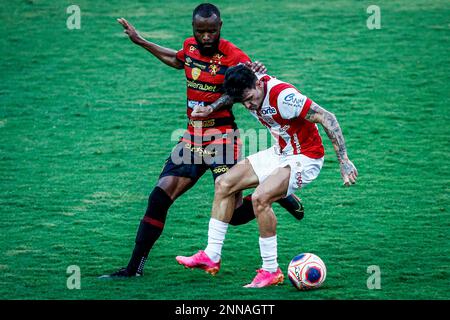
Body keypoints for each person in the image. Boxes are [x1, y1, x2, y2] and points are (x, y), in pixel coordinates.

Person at [100, 3, 304, 279]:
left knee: (231, 215)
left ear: (220, 27)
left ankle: (276, 194)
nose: (206, 36)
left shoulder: (233, 55)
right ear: (193, 29)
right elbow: (177, 60)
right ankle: (133, 269)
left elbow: (250, 81)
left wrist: (254, 70)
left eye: (211, 31)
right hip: (192, 139)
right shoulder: (190, 48)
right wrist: (140, 41)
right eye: (200, 31)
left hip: (223, 139)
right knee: (158, 198)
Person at [176, 64, 358, 288]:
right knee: (224, 184)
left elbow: (328, 117)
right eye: (244, 102)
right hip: (279, 152)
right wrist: (211, 108)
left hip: (306, 157)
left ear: (259, 84)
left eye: (251, 98)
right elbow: (232, 96)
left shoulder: (285, 98)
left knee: (261, 198)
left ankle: (271, 270)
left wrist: (344, 161)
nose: (249, 105)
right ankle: (211, 256)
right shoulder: (249, 87)